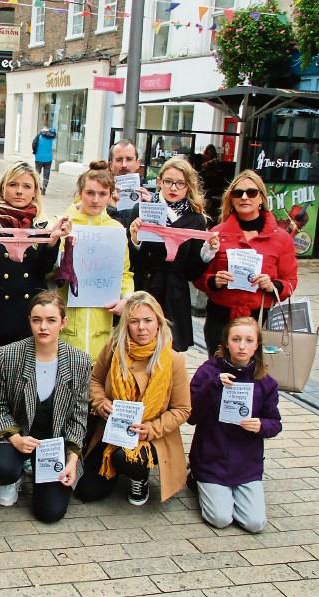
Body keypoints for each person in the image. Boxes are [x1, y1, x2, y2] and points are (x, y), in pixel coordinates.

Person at [0, 162, 71, 477]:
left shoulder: (41, 225)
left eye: (26, 186)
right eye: (14, 185)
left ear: (35, 191)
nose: (20, 192)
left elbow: (41, 270)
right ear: (3, 188)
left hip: (28, 319)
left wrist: (52, 242)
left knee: (26, 384)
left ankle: (23, 443)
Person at [0, 292, 91, 522]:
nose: (43, 327)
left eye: (51, 320)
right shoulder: (8, 354)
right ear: (29, 321)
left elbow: (79, 417)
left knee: (49, 513)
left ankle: (40, 474)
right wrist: (15, 438)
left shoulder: (79, 361)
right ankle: (14, 476)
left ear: (63, 322)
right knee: (1, 467)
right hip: (16, 432)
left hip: (54, 441)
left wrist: (71, 460)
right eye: (36, 320)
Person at [76, 292, 191, 505]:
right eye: (134, 321)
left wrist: (151, 428)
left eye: (148, 320)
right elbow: (94, 381)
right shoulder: (113, 348)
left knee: (125, 458)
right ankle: (117, 465)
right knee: (86, 491)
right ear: (126, 324)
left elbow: (182, 409)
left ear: (158, 322)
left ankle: (139, 476)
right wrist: (100, 402)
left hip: (153, 434)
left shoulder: (173, 360)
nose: (141, 327)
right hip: (112, 430)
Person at [188, 317, 281, 533]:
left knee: (255, 524)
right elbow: (191, 416)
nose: (242, 346)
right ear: (226, 343)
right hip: (212, 457)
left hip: (246, 462)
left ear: (257, 345)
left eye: (249, 340)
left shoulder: (265, 381)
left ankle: (233, 493)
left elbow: (275, 423)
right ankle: (195, 477)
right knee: (220, 519)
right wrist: (213, 385)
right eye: (236, 339)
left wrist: (261, 425)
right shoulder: (209, 371)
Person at [195, 169, 298, 356]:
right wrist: (214, 281)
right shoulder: (217, 233)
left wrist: (272, 285)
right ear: (231, 199)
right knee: (218, 374)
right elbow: (198, 275)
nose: (244, 197)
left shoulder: (281, 238)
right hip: (220, 318)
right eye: (238, 193)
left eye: (251, 192)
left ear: (261, 199)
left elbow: (291, 282)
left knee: (252, 377)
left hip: (258, 319)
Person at [127, 158, 219, 351]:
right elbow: (131, 263)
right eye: (168, 181)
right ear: (159, 181)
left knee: (170, 357)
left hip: (174, 297)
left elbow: (191, 273)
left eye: (180, 183)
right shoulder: (142, 210)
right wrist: (135, 240)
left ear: (188, 187)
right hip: (145, 291)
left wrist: (207, 252)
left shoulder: (195, 220)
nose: (173, 188)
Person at [58, 161, 134, 358]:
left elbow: (124, 272)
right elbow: (50, 270)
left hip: (101, 325)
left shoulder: (115, 229)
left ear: (110, 196)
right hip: (68, 324)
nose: (96, 200)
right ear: (80, 193)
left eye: (102, 194)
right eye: (90, 193)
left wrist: (126, 299)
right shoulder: (63, 223)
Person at [109, 139, 151, 227]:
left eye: (129, 159)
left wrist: (148, 208)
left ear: (137, 164)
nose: (124, 165)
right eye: (119, 160)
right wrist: (109, 207)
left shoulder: (150, 196)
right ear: (111, 165)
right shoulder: (98, 193)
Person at [31, 127, 56, 195]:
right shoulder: (51, 137)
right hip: (48, 159)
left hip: (39, 158)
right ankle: (44, 189)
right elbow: (53, 131)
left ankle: (38, 187)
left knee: (37, 174)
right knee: (46, 175)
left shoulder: (39, 136)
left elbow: (34, 144)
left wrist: (35, 151)